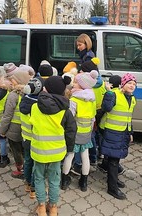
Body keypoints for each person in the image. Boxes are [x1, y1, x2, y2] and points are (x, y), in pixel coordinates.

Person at [30, 76, 77, 216]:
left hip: (39, 150)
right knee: (54, 180)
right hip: (57, 153)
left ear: (45, 89)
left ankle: (42, 207)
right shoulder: (65, 110)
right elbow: (71, 132)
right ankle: (54, 207)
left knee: (38, 178)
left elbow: (32, 126)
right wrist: (69, 149)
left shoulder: (34, 107)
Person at [101, 73, 137, 200]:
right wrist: (109, 93)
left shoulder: (131, 98)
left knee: (116, 159)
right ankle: (112, 188)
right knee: (113, 160)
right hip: (113, 132)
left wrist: (130, 132)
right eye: (129, 83)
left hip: (123, 133)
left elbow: (129, 117)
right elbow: (107, 108)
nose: (132, 86)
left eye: (134, 84)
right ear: (123, 84)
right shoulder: (114, 95)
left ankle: (114, 180)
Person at [61, 70, 98, 192]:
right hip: (87, 132)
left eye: (76, 82)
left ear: (82, 85)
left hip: (75, 133)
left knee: (70, 155)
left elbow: (70, 118)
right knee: (85, 156)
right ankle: (84, 182)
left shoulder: (74, 100)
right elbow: (93, 117)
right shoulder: (92, 99)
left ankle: (64, 180)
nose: (73, 84)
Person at [0, 68, 34, 178]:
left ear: (18, 81)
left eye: (13, 80)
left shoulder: (13, 95)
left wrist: (2, 130)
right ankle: (29, 169)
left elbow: (7, 115)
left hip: (14, 129)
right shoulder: (31, 94)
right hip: (28, 128)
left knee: (16, 151)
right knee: (26, 151)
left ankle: (20, 170)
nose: (11, 81)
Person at [19, 77, 45, 199]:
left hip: (25, 137)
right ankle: (34, 189)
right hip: (36, 139)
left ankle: (27, 183)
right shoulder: (38, 105)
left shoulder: (23, 101)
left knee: (28, 160)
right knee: (36, 164)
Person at [97, 75, 126, 176]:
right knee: (112, 148)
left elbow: (105, 108)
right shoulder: (123, 94)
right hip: (120, 127)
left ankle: (111, 166)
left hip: (106, 125)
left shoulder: (111, 94)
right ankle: (108, 165)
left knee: (106, 147)